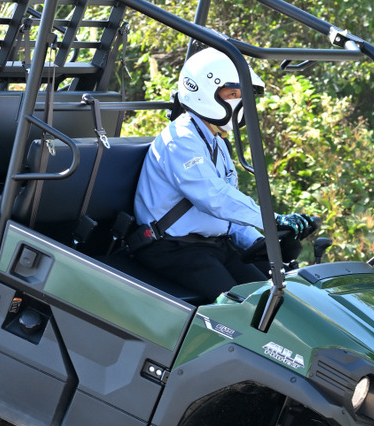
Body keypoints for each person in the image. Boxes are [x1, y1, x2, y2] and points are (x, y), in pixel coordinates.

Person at [128, 48, 319, 300]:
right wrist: (272, 221)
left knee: (277, 295)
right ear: (205, 93)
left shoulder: (216, 140)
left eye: (241, 95)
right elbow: (213, 198)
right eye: (232, 94)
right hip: (172, 248)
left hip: (212, 245)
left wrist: (260, 243)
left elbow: (229, 216)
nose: (239, 102)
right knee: (238, 309)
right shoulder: (181, 140)